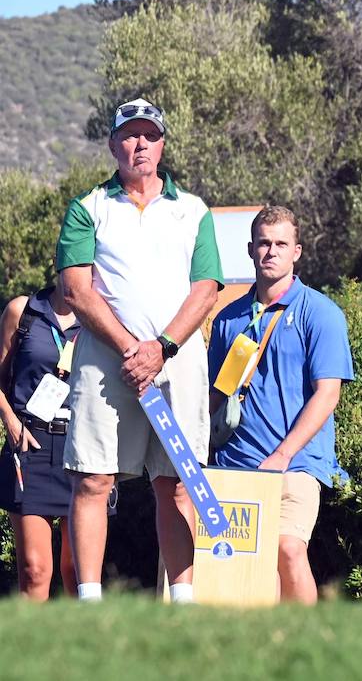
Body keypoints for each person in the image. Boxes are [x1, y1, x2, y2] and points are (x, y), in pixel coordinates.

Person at [56, 98, 223, 603]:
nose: (140, 144)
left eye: (149, 135)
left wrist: (163, 347)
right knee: (93, 480)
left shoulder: (193, 210)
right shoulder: (88, 208)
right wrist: (133, 350)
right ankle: (90, 603)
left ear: (163, 144)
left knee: (176, 482)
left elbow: (207, 288)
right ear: (113, 145)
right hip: (108, 366)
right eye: (129, 135)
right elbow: (76, 290)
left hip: (177, 364)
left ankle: (183, 602)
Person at [208, 205, 353, 604]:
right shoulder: (226, 320)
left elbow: (328, 393)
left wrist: (283, 455)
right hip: (235, 466)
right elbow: (215, 396)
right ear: (250, 249)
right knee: (250, 569)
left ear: (297, 252)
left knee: (288, 549)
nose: (271, 251)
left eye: (280, 244)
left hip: (297, 464)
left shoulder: (320, 313)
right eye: (264, 243)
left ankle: (305, 650)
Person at [0, 282, 98, 599]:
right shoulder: (23, 311)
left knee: (77, 573)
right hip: (30, 447)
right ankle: (28, 648)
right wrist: (11, 423)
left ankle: (76, 647)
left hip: (83, 447)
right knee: (34, 570)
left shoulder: (103, 316)